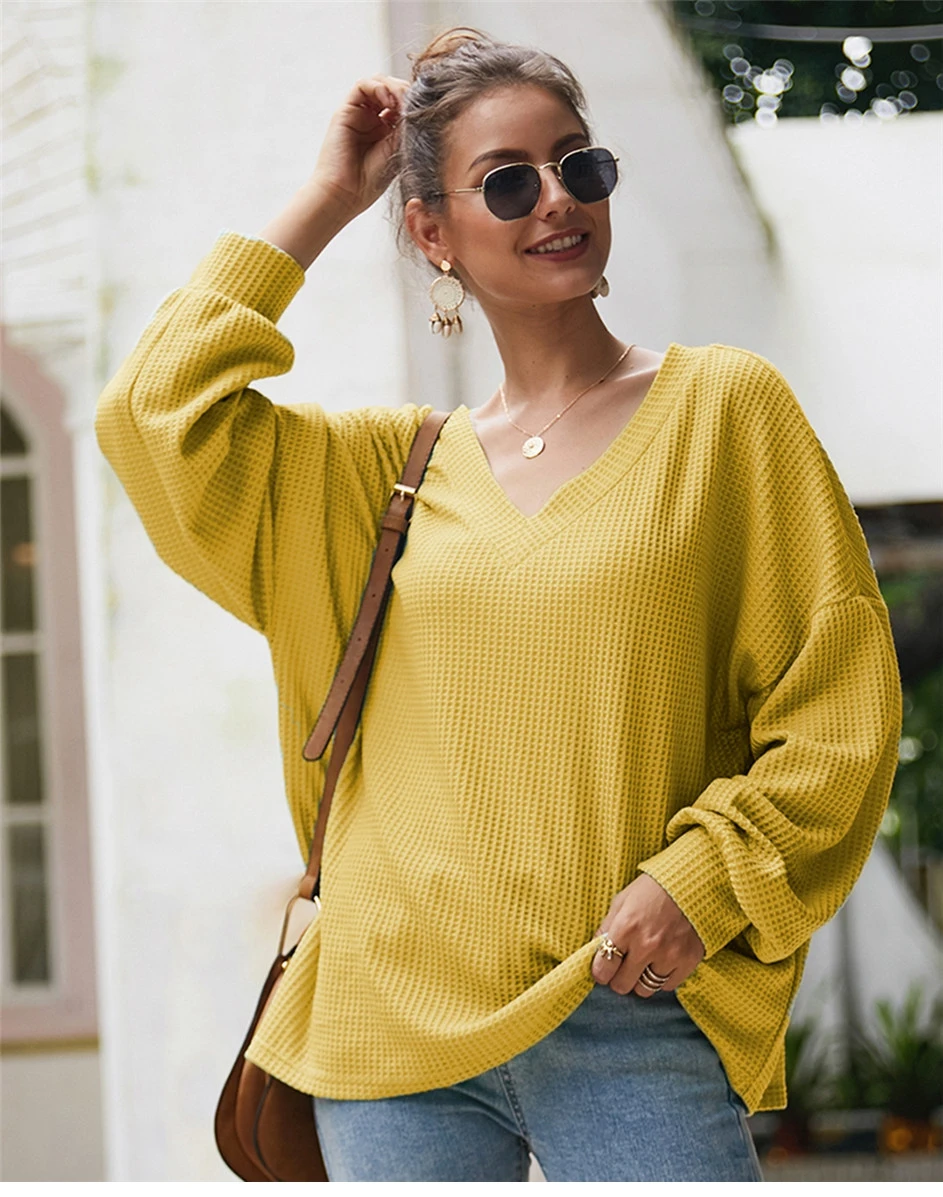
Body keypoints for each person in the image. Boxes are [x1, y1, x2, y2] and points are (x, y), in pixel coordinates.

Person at [94, 25, 902, 1183]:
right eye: (507, 182)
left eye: (578, 164)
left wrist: (700, 882)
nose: (555, 199)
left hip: (626, 1007)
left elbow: (838, 707)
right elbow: (154, 409)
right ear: (434, 232)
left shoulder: (725, 413)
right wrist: (329, 198)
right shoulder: (376, 475)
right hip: (387, 1035)